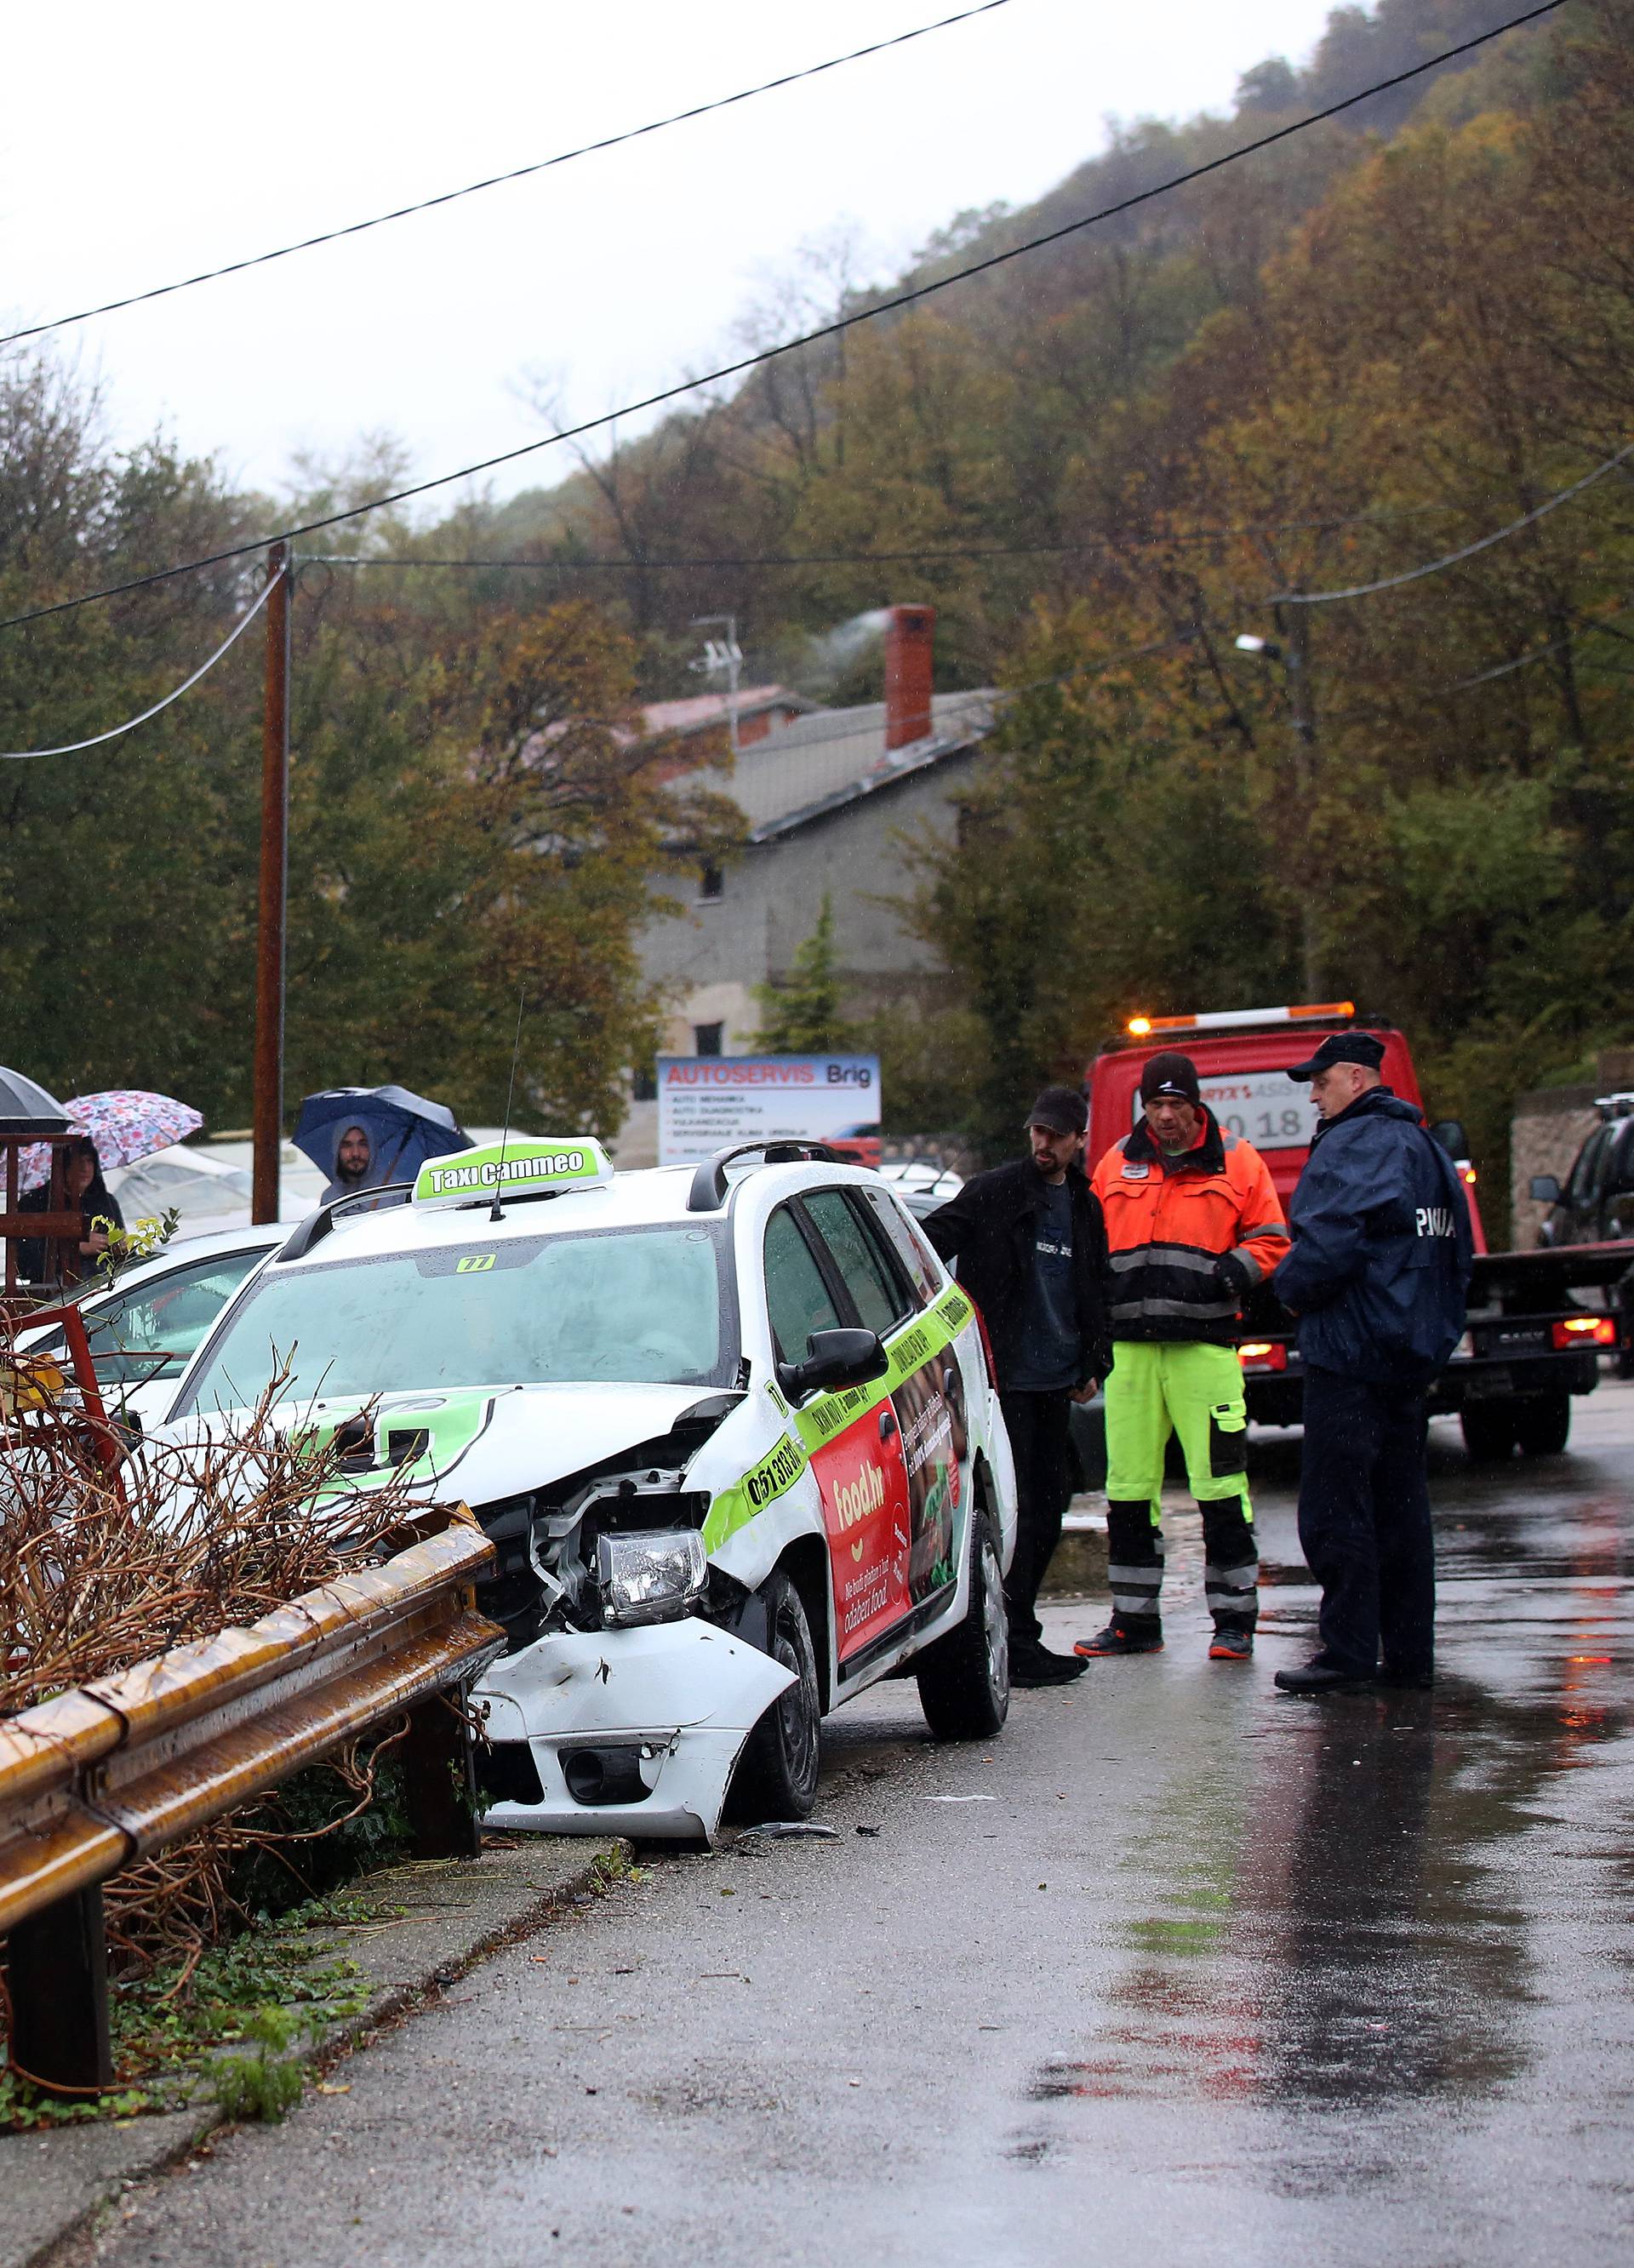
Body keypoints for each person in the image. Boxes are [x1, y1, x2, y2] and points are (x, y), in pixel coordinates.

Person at [1270, 1032, 1473, 1694]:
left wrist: (1287, 1290)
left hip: (1351, 1354)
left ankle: (1348, 1651)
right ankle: (1411, 1654)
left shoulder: (1356, 1145)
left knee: (1336, 1510)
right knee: (1402, 1511)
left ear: (1357, 1079)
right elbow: (1456, 1258)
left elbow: (1329, 1243)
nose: (1313, 1095)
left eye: (1321, 1081)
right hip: (1408, 1359)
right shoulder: (1427, 1149)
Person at [1075, 1050, 1288, 1664]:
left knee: (1222, 1485)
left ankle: (1235, 1621)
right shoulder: (1117, 1161)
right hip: (1133, 1352)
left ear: (1196, 1106)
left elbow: (1272, 1239)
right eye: (1156, 1104)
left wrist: (1227, 1275)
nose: (1165, 1116)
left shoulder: (1239, 1160)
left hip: (1205, 1350)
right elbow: (1093, 1245)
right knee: (1128, 1488)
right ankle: (1135, 1620)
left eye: (1176, 1104)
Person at [923, 1087, 1111, 1687]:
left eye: (1057, 1134)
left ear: (1079, 1139)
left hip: (1056, 1381)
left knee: (1050, 1506)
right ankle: (1012, 1635)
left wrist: (1093, 1359)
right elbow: (927, 1247)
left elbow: (1093, 1286)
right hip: (1004, 1384)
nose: (1044, 1143)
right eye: (1037, 1131)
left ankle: (1020, 1628)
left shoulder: (1083, 1205)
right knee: (1014, 1509)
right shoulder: (994, 1192)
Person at [17, 1135, 125, 1287]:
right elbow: (27, 1264)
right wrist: (77, 1248)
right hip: (56, 1293)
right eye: (78, 1161)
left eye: (89, 1161)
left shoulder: (106, 1202)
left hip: (104, 1290)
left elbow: (123, 1257)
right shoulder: (35, 1203)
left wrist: (119, 1249)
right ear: (63, 1165)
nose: (85, 1168)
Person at [321, 1123, 381, 1205]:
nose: (356, 1153)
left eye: (362, 1144)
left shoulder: (396, 1193)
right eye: (347, 1145)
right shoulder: (329, 1198)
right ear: (337, 1150)